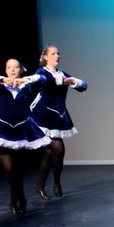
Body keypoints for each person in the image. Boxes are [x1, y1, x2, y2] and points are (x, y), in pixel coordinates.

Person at [0, 59, 50, 217]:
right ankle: (15, 198)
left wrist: (25, 80)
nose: (12, 70)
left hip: (21, 130)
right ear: (5, 70)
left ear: (21, 70)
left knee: (18, 169)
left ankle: (21, 198)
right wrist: (2, 80)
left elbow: (43, 79)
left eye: (16, 67)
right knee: (9, 170)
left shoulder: (27, 86)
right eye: (9, 67)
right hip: (2, 129)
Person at [31, 45, 88, 200]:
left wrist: (73, 81)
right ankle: (54, 184)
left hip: (58, 115)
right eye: (53, 53)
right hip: (43, 115)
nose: (57, 56)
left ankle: (43, 184)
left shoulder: (63, 74)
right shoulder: (42, 72)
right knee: (57, 148)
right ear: (45, 57)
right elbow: (45, 80)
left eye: (58, 53)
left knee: (52, 152)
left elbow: (84, 86)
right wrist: (63, 81)